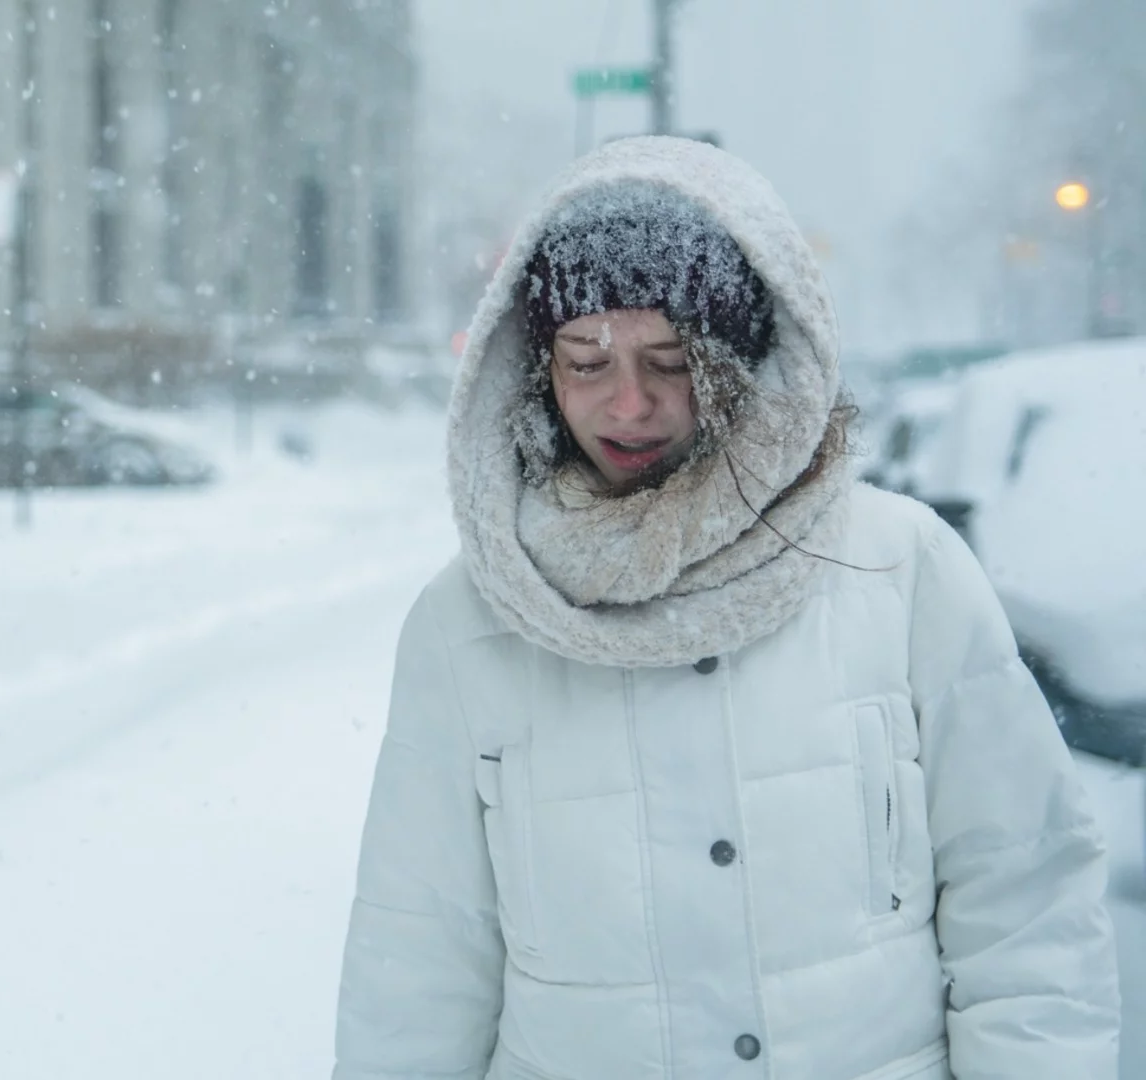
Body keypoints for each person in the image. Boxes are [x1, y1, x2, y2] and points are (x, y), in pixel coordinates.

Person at [332, 137, 1119, 1079]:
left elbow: (1023, 905)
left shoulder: (898, 570)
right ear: (538, 371)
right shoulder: (468, 623)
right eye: (586, 360)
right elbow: (419, 967)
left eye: (671, 359)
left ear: (739, 360)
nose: (630, 403)